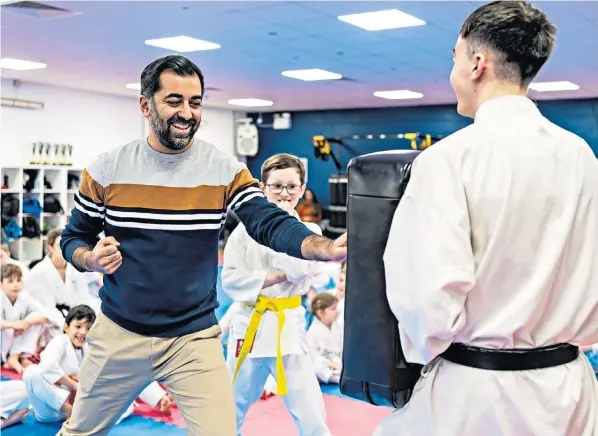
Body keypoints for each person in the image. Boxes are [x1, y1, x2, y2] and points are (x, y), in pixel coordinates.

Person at [57, 55, 346, 436]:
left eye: (195, 102)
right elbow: (72, 237)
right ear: (145, 105)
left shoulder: (222, 169)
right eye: (174, 101)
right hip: (120, 331)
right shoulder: (107, 169)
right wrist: (90, 258)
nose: (186, 112)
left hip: (193, 336)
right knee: (80, 432)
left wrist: (323, 247)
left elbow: (268, 222)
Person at [374, 2, 598, 435]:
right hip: (571, 390)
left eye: (454, 58)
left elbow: (427, 301)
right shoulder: (583, 159)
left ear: (477, 63)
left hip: (479, 395)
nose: (453, 71)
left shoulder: (450, 160)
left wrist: (421, 351)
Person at [222, 153, 332, 436]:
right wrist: (273, 278)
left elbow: (300, 271)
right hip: (250, 327)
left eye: (292, 187)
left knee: (311, 412)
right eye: (277, 186)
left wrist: (283, 231)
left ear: (302, 189)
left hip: (288, 330)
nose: (285, 193)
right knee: (229, 407)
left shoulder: (310, 232)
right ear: (262, 188)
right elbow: (230, 281)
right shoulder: (243, 232)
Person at [23, 305, 172, 424]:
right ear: (66, 327)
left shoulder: (93, 347)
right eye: (78, 326)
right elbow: (47, 367)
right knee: (31, 372)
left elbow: (125, 370)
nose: (83, 332)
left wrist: (158, 397)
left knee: (126, 397)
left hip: (82, 407)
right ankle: (71, 412)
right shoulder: (59, 342)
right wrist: (72, 385)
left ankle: (81, 416)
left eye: (88, 328)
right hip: (50, 409)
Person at [25, 229, 100, 334]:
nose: (65, 249)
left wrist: (81, 319)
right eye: (60, 245)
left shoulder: (75, 268)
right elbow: (46, 308)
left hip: (76, 317)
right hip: (50, 323)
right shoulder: (37, 273)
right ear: (50, 248)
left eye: (68, 245)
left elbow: (83, 296)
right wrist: (68, 325)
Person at [1, 264, 49, 374]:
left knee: (36, 322)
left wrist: (26, 322)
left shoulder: (24, 298)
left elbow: (45, 315)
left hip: (13, 338)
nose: (15, 285)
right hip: (3, 339)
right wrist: (15, 325)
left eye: (18, 280)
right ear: (0, 284)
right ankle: (15, 357)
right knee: (7, 329)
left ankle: (16, 357)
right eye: (10, 281)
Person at [306, 292, 343, 384]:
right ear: (321, 312)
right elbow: (313, 355)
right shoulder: (313, 331)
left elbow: (342, 347)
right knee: (316, 367)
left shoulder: (337, 327)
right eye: (333, 309)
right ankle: (335, 379)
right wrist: (329, 363)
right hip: (324, 364)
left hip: (337, 361)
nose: (337, 312)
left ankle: (342, 376)